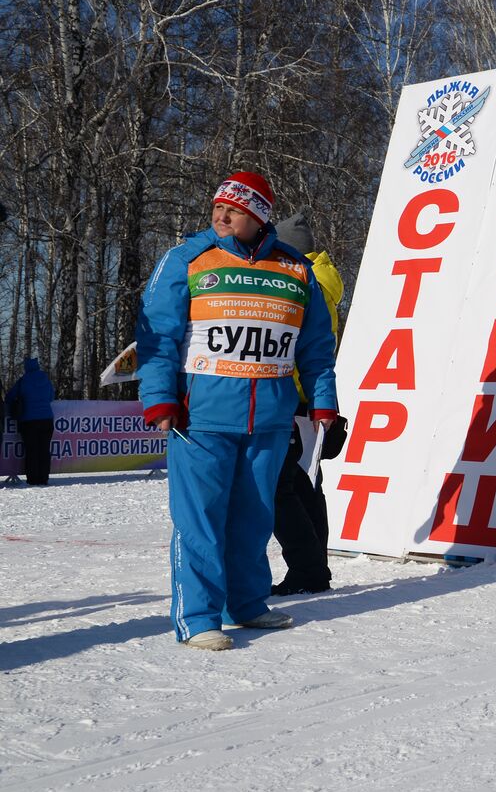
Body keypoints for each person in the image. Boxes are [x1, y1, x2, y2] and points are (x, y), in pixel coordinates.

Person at [137, 171, 339, 651]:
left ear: (259, 217)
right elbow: (157, 336)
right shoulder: (186, 259)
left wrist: (324, 401)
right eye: (218, 209)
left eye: (235, 210)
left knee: (255, 517)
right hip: (199, 418)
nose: (222, 216)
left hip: (269, 417)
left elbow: (314, 346)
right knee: (201, 519)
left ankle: (245, 604)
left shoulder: (295, 269)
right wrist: (160, 397)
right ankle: (198, 617)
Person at [269, 213, 344, 596]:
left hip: (292, 400)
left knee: (279, 491)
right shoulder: (324, 284)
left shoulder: (302, 283)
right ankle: (316, 568)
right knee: (306, 488)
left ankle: (307, 568)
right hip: (313, 404)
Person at [4, 358, 55, 485]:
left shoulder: (23, 381)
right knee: (44, 450)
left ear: (26, 368)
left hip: (29, 421)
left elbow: (9, 397)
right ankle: (44, 478)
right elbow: (51, 397)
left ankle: (33, 479)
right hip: (47, 420)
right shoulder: (46, 379)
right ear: (37, 366)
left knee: (31, 451)